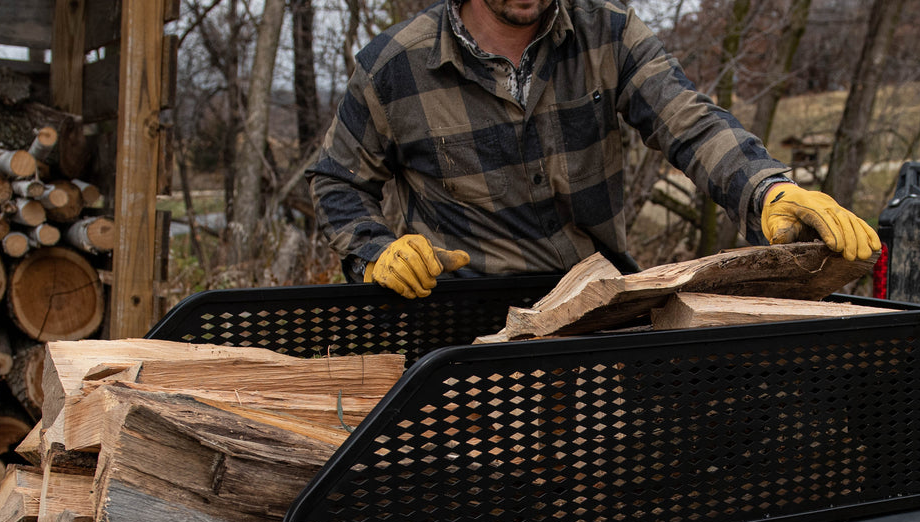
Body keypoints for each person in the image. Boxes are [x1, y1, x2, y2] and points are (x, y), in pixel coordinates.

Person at [308, 0, 880, 299]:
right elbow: (337, 180)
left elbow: (692, 123)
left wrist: (767, 190)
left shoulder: (609, 33)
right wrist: (374, 251)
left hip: (597, 314)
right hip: (462, 335)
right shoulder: (394, 65)